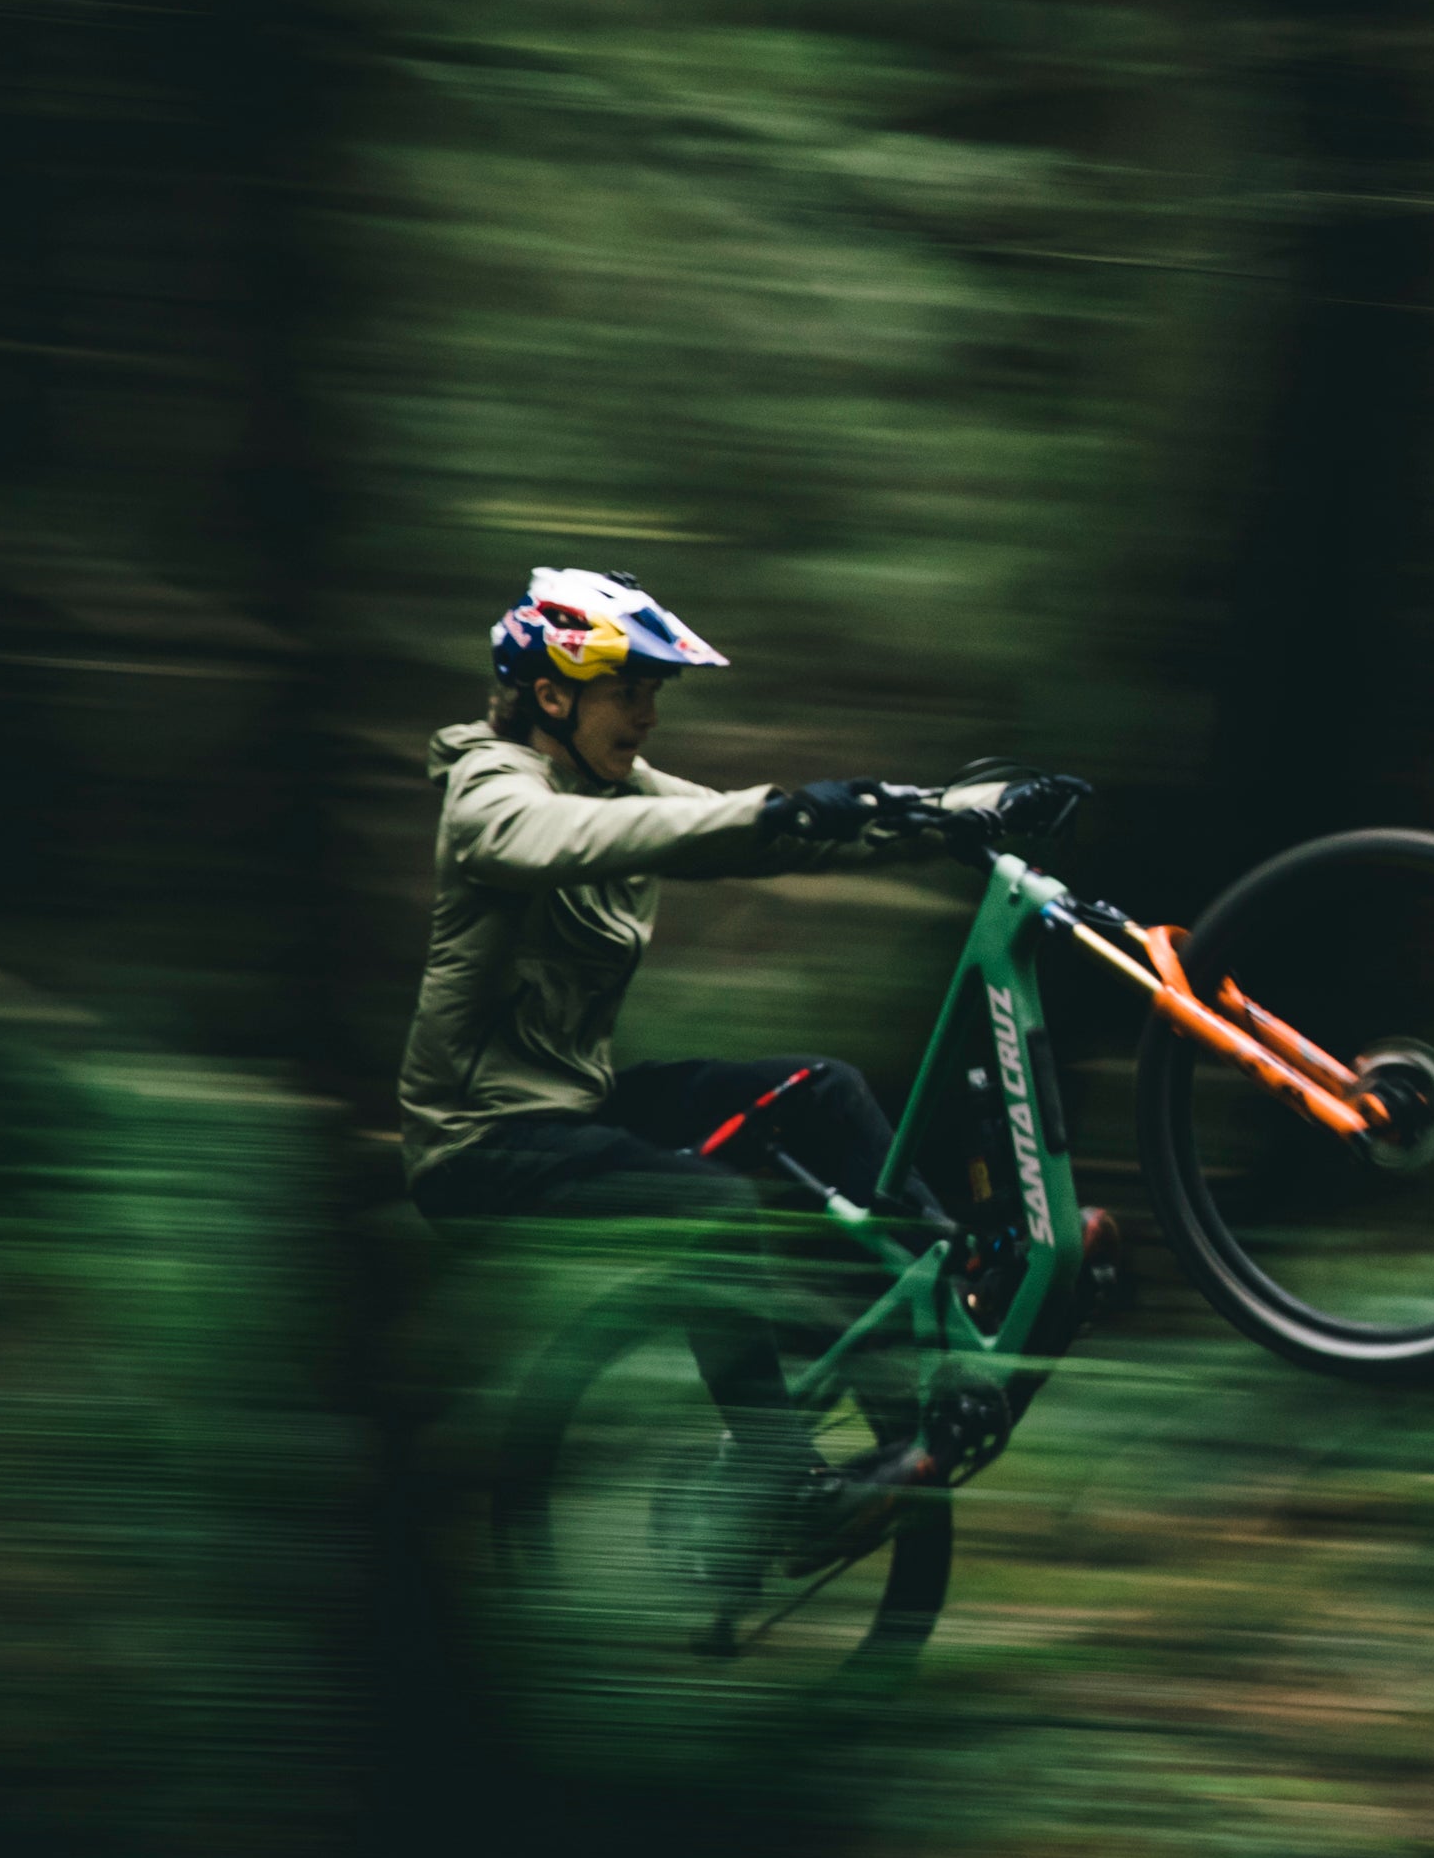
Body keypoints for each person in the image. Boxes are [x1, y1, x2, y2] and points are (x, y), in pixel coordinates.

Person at [396, 565, 1050, 1576]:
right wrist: (771, 814)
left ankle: (955, 1296)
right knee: (704, 1202)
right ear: (553, 694)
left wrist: (960, 811)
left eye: (657, 691)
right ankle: (777, 1481)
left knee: (823, 1090)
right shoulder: (492, 788)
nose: (650, 715)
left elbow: (774, 829)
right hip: (483, 1145)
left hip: (583, 1105)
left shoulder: (616, 788)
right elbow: (570, 835)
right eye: (632, 688)